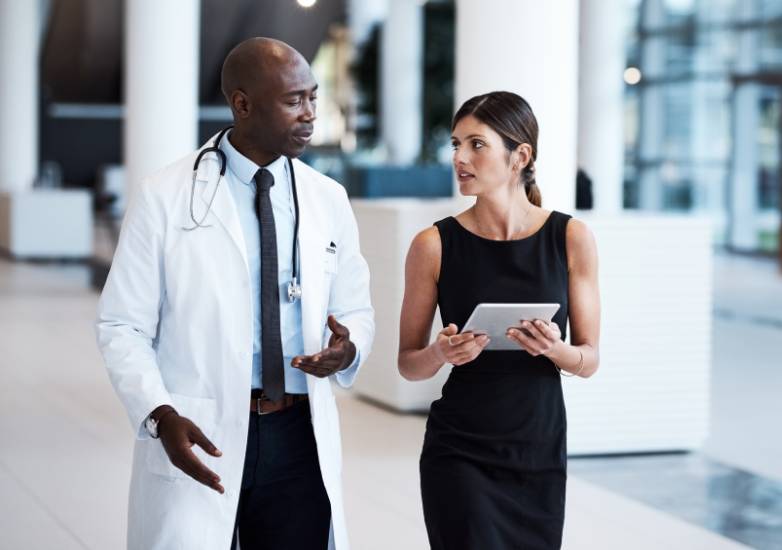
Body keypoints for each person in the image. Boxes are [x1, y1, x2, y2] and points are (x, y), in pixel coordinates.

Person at [96, 38, 374, 550]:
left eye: (313, 97)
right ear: (242, 104)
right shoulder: (165, 195)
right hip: (201, 429)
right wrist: (159, 413)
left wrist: (348, 347)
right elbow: (122, 325)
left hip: (298, 432)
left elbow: (355, 305)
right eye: (294, 100)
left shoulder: (326, 198)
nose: (310, 114)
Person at [398, 91, 600, 549]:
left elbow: (589, 359)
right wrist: (439, 352)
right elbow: (408, 363)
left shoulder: (571, 238)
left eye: (476, 144)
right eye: (455, 144)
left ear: (520, 156)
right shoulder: (432, 245)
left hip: (538, 448)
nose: (459, 158)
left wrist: (554, 348)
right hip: (459, 449)